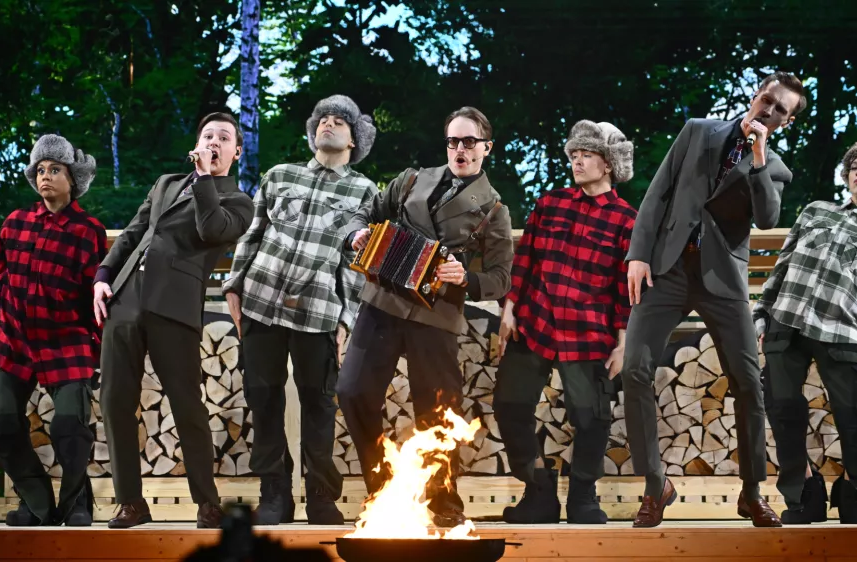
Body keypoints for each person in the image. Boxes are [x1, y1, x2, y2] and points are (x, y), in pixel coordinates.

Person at [621, 71, 807, 528]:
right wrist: (638, 255)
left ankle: (751, 492)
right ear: (755, 96)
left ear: (786, 121)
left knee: (747, 381)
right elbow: (657, 192)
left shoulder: (776, 167)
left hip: (722, 282)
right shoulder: (697, 131)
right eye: (768, 100)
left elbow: (766, 220)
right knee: (634, 369)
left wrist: (759, 159)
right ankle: (654, 485)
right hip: (667, 268)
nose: (770, 110)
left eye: (781, 110)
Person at [338, 107, 514, 527]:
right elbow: (365, 214)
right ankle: (380, 488)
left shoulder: (493, 209)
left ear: (486, 147)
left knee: (436, 412)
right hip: (381, 300)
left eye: (469, 142)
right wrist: (356, 234)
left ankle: (443, 501)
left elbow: (500, 278)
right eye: (453, 141)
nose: (460, 149)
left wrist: (465, 277)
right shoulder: (412, 179)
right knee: (352, 391)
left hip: (436, 315)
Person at [93, 112, 255, 529]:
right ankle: (131, 502)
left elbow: (211, 229)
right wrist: (103, 276)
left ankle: (208, 503)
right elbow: (133, 232)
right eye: (207, 135)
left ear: (236, 152)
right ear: (196, 142)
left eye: (223, 138)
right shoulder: (166, 183)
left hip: (175, 304)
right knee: (114, 401)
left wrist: (203, 180)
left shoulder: (239, 201)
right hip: (126, 298)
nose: (213, 142)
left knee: (186, 404)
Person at [222, 95, 378, 525]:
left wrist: (347, 318)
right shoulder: (279, 175)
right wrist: (233, 285)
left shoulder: (365, 191)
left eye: (338, 122)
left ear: (354, 140)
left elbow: (357, 263)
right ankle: (275, 494)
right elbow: (251, 234)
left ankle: (322, 497)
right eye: (322, 119)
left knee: (319, 402)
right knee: (264, 398)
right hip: (261, 301)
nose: (327, 124)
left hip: (319, 309)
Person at [493, 120, 637, 524]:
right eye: (574, 154)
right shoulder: (550, 203)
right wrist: (510, 308)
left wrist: (623, 341)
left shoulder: (628, 219)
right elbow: (525, 261)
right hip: (534, 322)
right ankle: (538, 493)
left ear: (608, 163)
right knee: (509, 404)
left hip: (589, 332)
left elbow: (626, 287)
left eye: (586, 154)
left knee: (592, 418)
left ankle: (583, 499)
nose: (576, 160)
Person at [758, 141, 857, 525]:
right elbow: (782, 267)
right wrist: (762, 317)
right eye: (853, 166)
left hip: (841, 330)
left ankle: (856, 497)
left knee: (855, 417)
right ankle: (803, 495)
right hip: (786, 319)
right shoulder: (815, 212)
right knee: (782, 411)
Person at [0, 134, 107, 527]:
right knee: (3, 425)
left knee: (70, 428)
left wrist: (95, 351)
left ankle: (76, 504)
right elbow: (0, 285)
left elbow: (97, 298)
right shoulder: (15, 224)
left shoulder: (89, 230)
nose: (46, 177)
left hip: (67, 342)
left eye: (55, 170)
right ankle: (36, 502)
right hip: (13, 342)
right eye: (40, 170)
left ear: (73, 179)